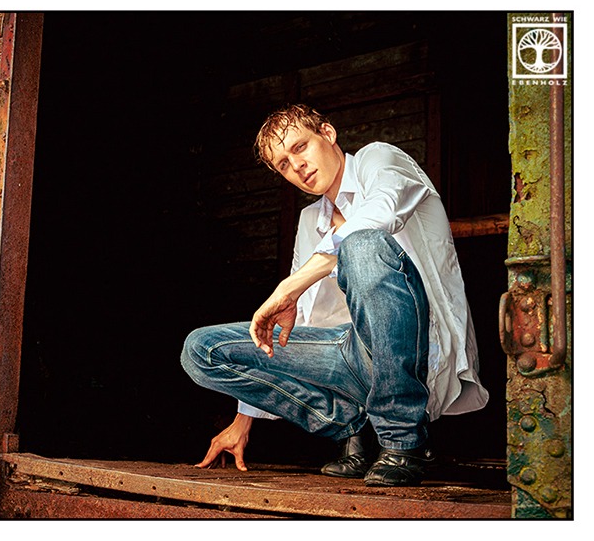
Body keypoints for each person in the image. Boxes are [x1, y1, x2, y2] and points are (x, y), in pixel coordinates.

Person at [180, 104, 489, 486]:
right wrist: (243, 421)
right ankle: (348, 425)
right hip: (349, 357)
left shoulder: (379, 159)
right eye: (283, 164)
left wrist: (291, 283)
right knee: (201, 350)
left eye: (300, 147)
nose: (297, 166)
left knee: (362, 246)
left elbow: (383, 210)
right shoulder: (311, 219)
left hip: (417, 351)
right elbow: (300, 317)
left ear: (327, 133)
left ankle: (401, 440)